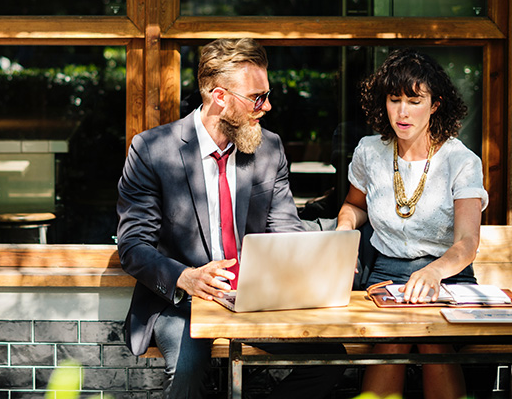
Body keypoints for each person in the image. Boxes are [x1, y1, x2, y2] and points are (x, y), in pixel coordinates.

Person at [117, 38, 343, 399]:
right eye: (257, 97)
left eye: (267, 94)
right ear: (219, 97)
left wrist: (308, 266)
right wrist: (186, 278)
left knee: (328, 359)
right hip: (183, 303)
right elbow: (133, 245)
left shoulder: (269, 148)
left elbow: (284, 230)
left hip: (252, 298)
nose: (266, 106)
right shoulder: (151, 150)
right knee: (188, 370)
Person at [336, 49, 487, 399]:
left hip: (448, 277)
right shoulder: (369, 152)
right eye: (394, 99)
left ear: (435, 105)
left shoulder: (461, 161)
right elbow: (353, 206)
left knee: (432, 340)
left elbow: (467, 243)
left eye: (414, 100)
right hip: (385, 275)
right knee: (392, 341)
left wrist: (433, 273)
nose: (402, 112)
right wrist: (345, 230)